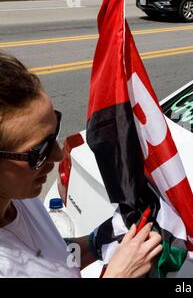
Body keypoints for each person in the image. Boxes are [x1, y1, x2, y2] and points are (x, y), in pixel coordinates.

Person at [0, 51, 163, 278]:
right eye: (39, 151)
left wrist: (98, 241)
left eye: (54, 130)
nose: (57, 155)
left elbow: (51, 262)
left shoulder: (17, 197)